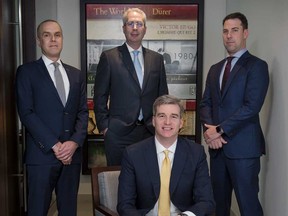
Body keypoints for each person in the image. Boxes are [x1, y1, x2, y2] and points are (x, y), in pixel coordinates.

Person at [15, 19, 88, 216]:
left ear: (62, 39)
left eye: (57, 35)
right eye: (47, 35)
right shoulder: (26, 72)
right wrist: (55, 146)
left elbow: (82, 112)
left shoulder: (76, 75)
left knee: (68, 211)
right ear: (39, 41)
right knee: (37, 211)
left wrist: (73, 143)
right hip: (42, 157)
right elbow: (26, 113)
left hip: (71, 158)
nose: (53, 39)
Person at [200, 12, 269, 216]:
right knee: (219, 207)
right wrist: (209, 131)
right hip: (217, 150)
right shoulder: (215, 69)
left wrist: (219, 130)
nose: (229, 35)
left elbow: (251, 107)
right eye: (225, 31)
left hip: (244, 150)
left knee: (248, 207)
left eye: (235, 30)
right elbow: (206, 103)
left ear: (245, 33)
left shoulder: (257, 66)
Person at [117, 94, 215, 216]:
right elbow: (124, 205)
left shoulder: (196, 153)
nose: (167, 122)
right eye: (161, 116)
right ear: (153, 121)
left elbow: (206, 202)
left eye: (173, 117)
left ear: (181, 123)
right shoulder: (133, 154)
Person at [93, 8, 168, 166]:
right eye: (130, 23)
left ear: (145, 29)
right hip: (118, 134)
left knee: (148, 184)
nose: (135, 28)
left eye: (139, 24)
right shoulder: (109, 57)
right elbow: (100, 96)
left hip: (150, 132)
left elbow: (163, 98)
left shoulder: (157, 59)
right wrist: (105, 128)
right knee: (120, 183)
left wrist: (161, 126)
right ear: (124, 28)